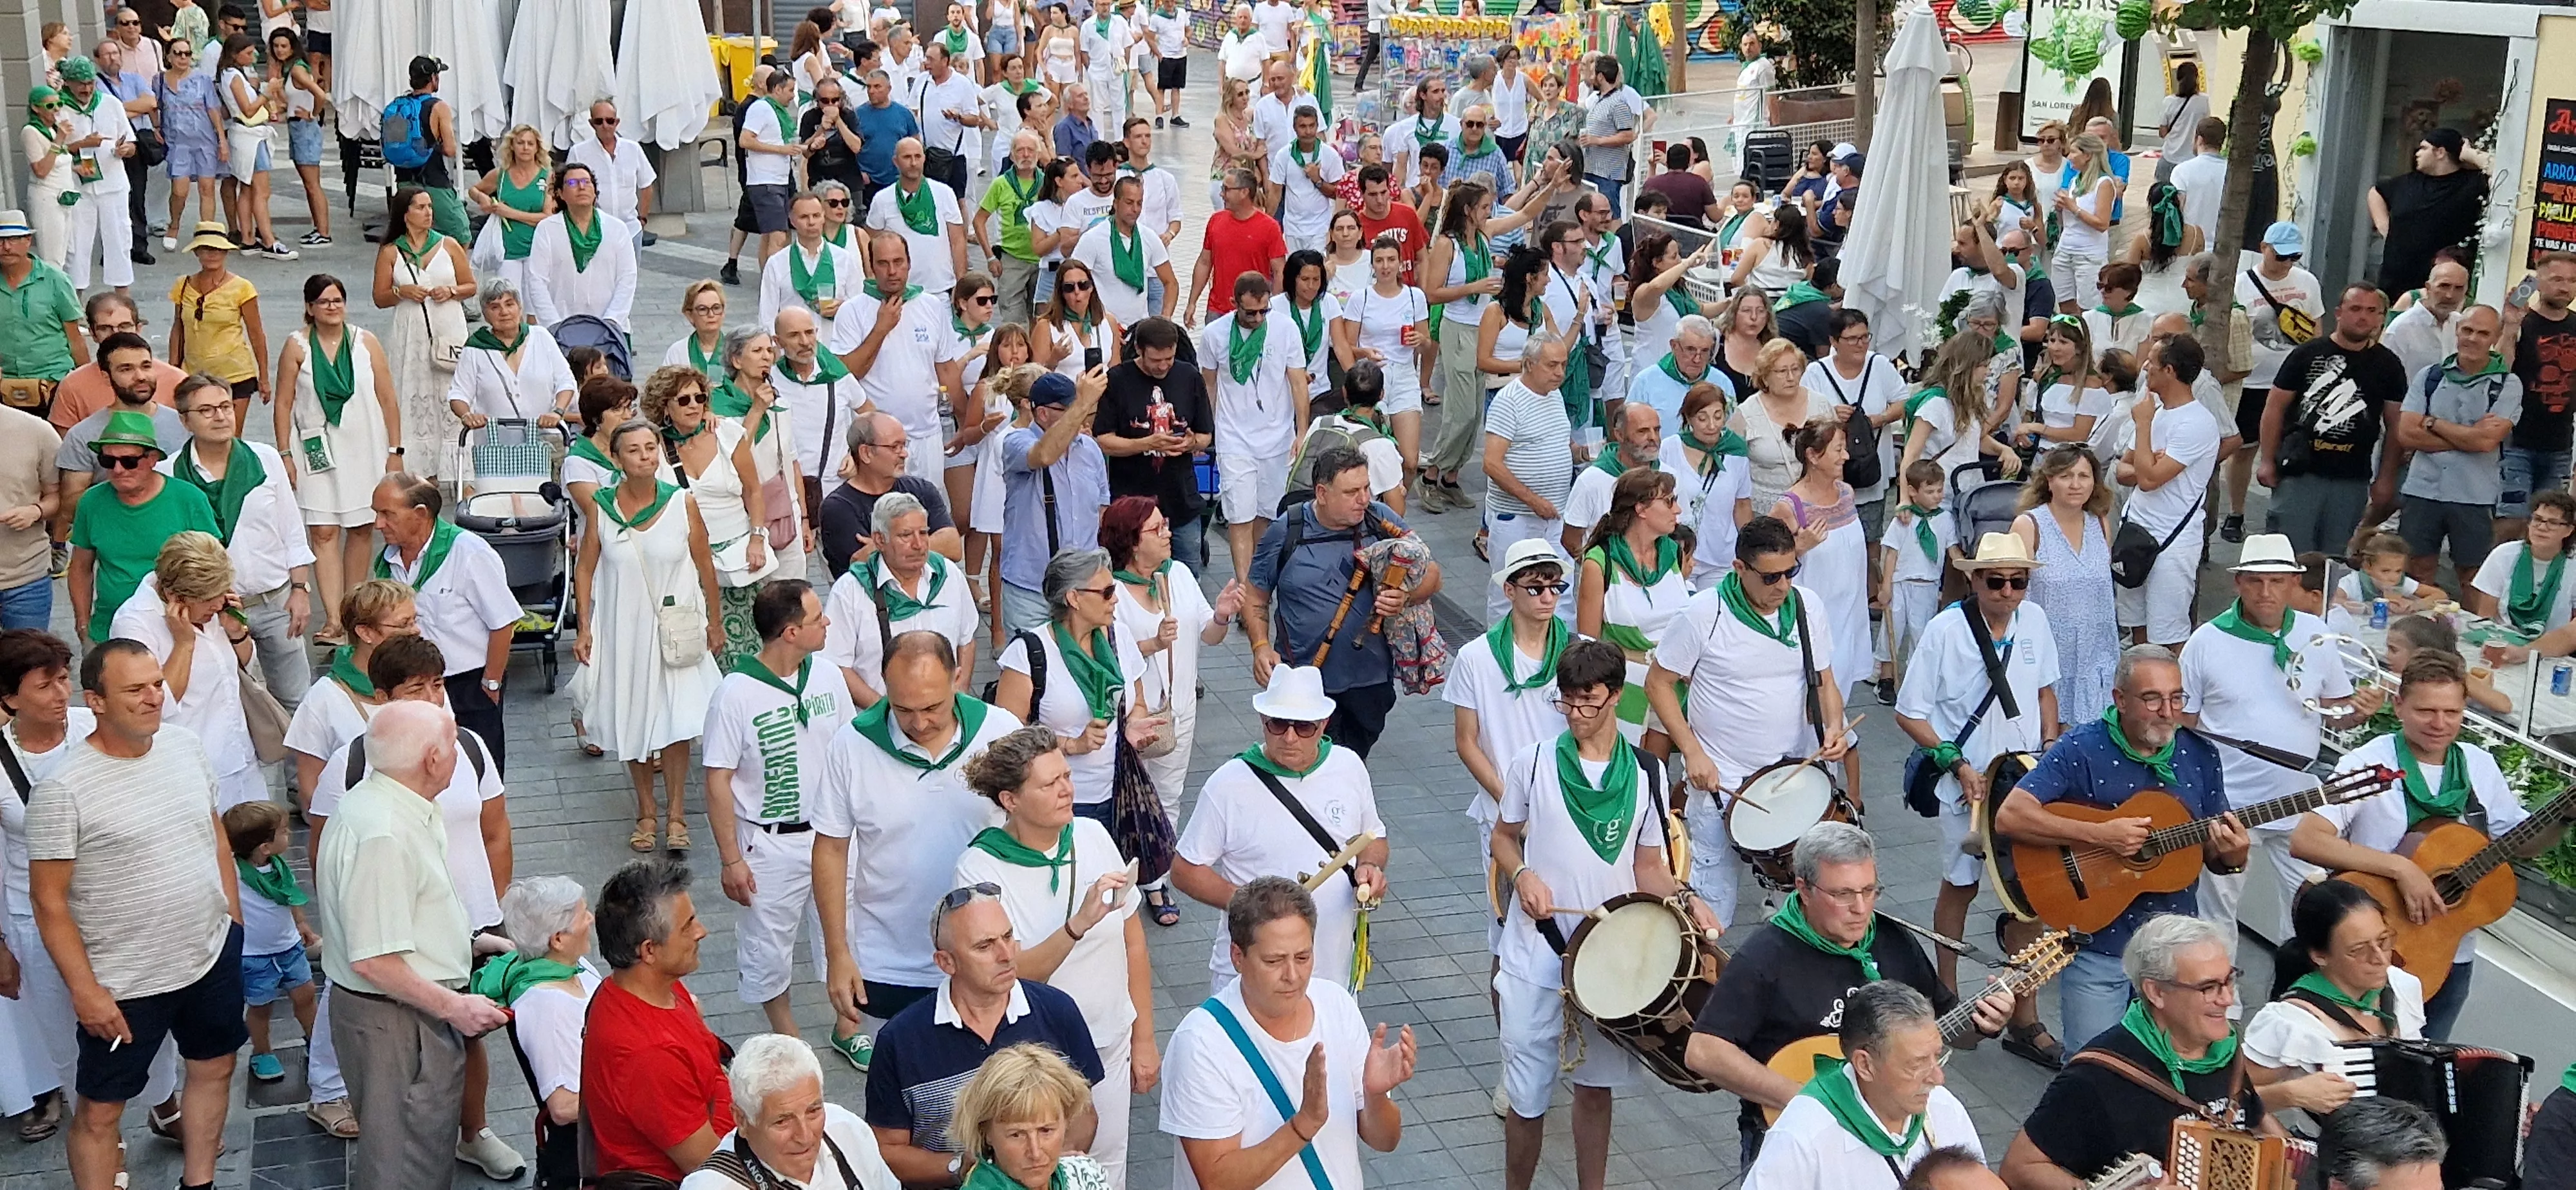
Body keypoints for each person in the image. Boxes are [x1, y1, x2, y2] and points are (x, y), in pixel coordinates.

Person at [1493, 639, 1709, 1190]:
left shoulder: (1649, 773)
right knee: (1527, 1098)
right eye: (1566, 702)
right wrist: (1522, 875)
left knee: (1596, 1090)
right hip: (1535, 956)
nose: (1576, 714)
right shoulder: (1533, 762)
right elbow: (1504, 837)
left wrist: (1686, 898)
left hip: (1608, 962)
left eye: (1587, 701)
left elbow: (1649, 867)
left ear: (1614, 696)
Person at [28, 639, 242, 1190]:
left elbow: (214, 834)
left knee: (214, 1067)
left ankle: (200, 1183)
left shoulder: (185, 746)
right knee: (100, 1112)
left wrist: (233, 921)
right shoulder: (63, 790)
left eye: (156, 684)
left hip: (209, 953)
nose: (154, 697)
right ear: (95, 701)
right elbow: (49, 900)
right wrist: (86, 992)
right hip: (125, 981)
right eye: (135, 689)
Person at [1687, 824, 2011, 1167]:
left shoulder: (1892, 940)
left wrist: (1985, 1022)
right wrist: (1812, 1102)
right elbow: (1704, 1051)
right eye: (1843, 894)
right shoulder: (1766, 956)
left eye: (1869, 890)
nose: (1860, 907)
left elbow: (1946, 1026)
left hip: (1889, 1126)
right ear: (1804, 889)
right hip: (1793, 1138)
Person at [1992, 646, 2245, 1050]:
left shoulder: (2200, 755)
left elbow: (2217, 854)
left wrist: (2235, 855)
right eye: (2152, 699)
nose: (2168, 711)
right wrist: (2101, 835)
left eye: (2176, 698)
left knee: (2176, 1067)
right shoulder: (2081, 748)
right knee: (2093, 1072)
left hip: (2175, 954)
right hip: (2100, 942)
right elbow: (2011, 816)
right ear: (2120, 700)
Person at [2297, 650, 2552, 1040]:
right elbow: (2306, 838)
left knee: (2424, 1074)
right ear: (2399, 706)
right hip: (2367, 950)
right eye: (2426, 711)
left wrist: (2563, 816)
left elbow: (2520, 844)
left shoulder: (2478, 764)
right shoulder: (2370, 763)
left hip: (2448, 956)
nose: (2440, 724)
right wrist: (2402, 868)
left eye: (2451, 712)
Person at [954, 725, 1154, 1182]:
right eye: (1050, 783)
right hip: (1037, 1062)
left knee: (1105, 1171)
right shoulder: (980, 868)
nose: (1068, 789)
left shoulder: (1092, 834)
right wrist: (1077, 925)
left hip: (1110, 1043)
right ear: (1011, 800)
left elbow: (1133, 940)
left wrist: (1143, 1036)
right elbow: (1003, 975)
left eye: (1066, 775)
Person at [1642, 515, 1853, 923]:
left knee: (1799, 910)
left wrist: (1833, 727)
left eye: (1791, 572)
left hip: (1793, 779)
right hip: (1723, 782)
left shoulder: (1808, 606)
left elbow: (1825, 680)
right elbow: (1658, 684)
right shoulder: (1703, 613)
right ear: (1739, 568)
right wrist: (1693, 753)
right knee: (1710, 904)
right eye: (1770, 578)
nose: (1783, 586)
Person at [1160, 876, 1416, 1190]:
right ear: (1237, 957)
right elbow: (1217, 1180)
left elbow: (1385, 1140)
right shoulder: (1200, 1044)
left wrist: (1375, 1096)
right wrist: (1304, 1124)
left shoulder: (1336, 1004)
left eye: (1303, 957)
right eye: (1274, 961)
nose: (1293, 976)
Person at [2001, 916, 2270, 1188]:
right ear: (2156, 992)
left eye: (2229, 980)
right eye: (2208, 987)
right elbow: (2020, 1167)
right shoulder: (2097, 1076)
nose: (2227, 999)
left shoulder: (2223, 1050)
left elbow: (2254, 1119)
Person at [863, 884, 1105, 1183]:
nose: (1006, 955)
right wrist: (961, 1169)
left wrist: (1045, 1171)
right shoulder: (899, 1041)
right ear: (946, 962)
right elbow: (886, 1150)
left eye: (1007, 937)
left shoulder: (1057, 1010)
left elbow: (1083, 1114)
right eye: (984, 946)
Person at [700, 580, 855, 1039]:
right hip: (769, 843)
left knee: (842, 932)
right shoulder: (735, 694)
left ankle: (849, 1026)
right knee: (767, 946)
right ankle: (787, 1036)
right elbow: (717, 780)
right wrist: (731, 859)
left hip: (832, 836)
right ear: (790, 633)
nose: (826, 622)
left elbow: (852, 746)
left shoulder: (826, 675)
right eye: (816, 618)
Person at [1173, 661, 1388, 992]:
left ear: (1323, 724)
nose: (1289, 737)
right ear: (1263, 721)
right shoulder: (1228, 784)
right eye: (1278, 724)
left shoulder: (1349, 766)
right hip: (1253, 979)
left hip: (1332, 971)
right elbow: (1185, 870)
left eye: (1303, 727)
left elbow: (1373, 837)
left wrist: (1370, 866)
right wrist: (1252, 905)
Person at [576, 420, 726, 851]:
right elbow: (585, 569)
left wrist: (714, 623)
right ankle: (646, 811)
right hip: (624, 629)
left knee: (676, 719)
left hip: (675, 629)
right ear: (617, 459)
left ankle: (676, 814)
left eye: (650, 448)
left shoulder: (682, 503)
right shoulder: (602, 508)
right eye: (635, 450)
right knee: (634, 715)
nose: (645, 456)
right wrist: (584, 627)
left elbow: (705, 567)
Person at [1245, 448, 1438, 755]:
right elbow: (1256, 595)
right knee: (1310, 764)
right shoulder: (1287, 530)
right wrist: (1260, 646)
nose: (1364, 499)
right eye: (1351, 492)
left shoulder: (1380, 520)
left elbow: (1431, 573)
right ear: (1322, 493)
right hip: (1304, 681)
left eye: (1366, 488)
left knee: (1351, 761)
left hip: (1371, 680)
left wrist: (1406, 597)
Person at [159, 372, 312, 711]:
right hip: (212, 613)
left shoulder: (265, 459)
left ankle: (300, 766)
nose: (220, 416)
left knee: (296, 703)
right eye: (207, 410)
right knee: (230, 705)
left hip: (274, 602)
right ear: (184, 420)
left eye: (225, 406)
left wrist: (301, 589)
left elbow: (292, 529)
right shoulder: (169, 474)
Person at [1739, 981, 1987, 1190]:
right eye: (1917, 1064)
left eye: (1938, 1056)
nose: (1937, 1078)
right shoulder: (1803, 1137)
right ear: (1865, 1065)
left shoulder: (1944, 1109)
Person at [583, 858, 736, 1182]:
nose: (702, 932)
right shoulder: (648, 1054)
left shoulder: (646, 986)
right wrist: (742, 1093)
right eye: (688, 926)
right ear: (649, 951)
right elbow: (714, 1169)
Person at [0, 630, 91, 1141]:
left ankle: (162, 1104)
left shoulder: (92, 730)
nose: (61, 694)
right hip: (32, 916)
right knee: (65, 1038)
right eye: (44, 685)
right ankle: (102, 1140)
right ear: (10, 697)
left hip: (107, 905)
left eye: (63, 679)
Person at [369, 472, 520, 769]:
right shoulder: (388, 559)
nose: (378, 525)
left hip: (469, 685)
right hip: (411, 687)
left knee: (478, 771)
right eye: (377, 514)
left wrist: (491, 684)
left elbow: (504, 623)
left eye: (387, 514)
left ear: (420, 514)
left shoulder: (468, 552)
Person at [276, 275, 400, 638]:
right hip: (316, 448)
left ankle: (353, 611)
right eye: (324, 301)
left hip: (365, 446)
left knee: (361, 528)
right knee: (325, 531)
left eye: (338, 300)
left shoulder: (366, 343)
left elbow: (388, 398)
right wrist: (285, 452)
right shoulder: (297, 346)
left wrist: (396, 451)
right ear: (310, 308)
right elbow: (284, 403)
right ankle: (332, 618)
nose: (332, 307)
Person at [2240, 880, 2422, 1125]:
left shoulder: (2402, 986)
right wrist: (2289, 1095)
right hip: (2327, 1155)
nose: (2380, 959)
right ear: (2320, 956)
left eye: (2383, 941)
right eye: (2359, 950)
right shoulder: (2291, 1021)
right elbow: (2225, 1099)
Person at [2257, 283, 2407, 556]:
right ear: (2339, 313)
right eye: (2355, 309)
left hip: (2352, 479)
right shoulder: (2306, 354)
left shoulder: (2389, 365)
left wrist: (2386, 479)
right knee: (2289, 554)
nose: (2363, 317)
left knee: (2336, 558)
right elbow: (2274, 408)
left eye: (2372, 311)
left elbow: (2396, 426)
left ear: (2381, 317)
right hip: (2300, 474)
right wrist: (2267, 460)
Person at [475, 876, 602, 1187]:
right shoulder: (548, 1007)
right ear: (557, 939)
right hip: (591, 1151)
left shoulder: (574, 965)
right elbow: (561, 1108)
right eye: (583, 915)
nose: (592, 919)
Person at [68, 408, 218, 645]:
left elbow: (213, 567)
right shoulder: (91, 501)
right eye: (108, 460)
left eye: (129, 461)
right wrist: (83, 624)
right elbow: (80, 568)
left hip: (175, 631)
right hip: (110, 631)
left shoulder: (188, 499)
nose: (118, 469)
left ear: (152, 459)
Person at [679, 1034, 902, 1190]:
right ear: (742, 1121)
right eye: (782, 1121)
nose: (805, 1137)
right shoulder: (714, 1186)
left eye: (813, 1111)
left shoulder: (846, 1128)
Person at [2116, 335, 2226, 648]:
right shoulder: (2154, 413)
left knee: (2169, 635)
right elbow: (2122, 471)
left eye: (2152, 361)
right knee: (2136, 625)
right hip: (2136, 533)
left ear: (2170, 370)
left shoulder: (2195, 422)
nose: (2145, 367)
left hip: (2172, 541)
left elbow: (2149, 480)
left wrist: (2144, 434)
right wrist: (2148, 463)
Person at [2397, 304, 2518, 589]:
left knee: (2474, 577)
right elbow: (2406, 434)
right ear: (2457, 331)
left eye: (2483, 333)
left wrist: (2433, 423)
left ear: (2495, 337)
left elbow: (2486, 442)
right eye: (2467, 330)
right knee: (2416, 569)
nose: (2473, 338)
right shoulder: (2430, 376)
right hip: (2423, 490)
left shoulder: (2507, 384)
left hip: (2474, 495)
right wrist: (2468, 436)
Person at [822, 487, 980, 706]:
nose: (918, 545)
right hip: (878, 721)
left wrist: (958, 697)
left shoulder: (949, 575)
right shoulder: (851, 590)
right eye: (906, 535)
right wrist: (886, 714)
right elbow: (837, 665)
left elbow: (967, 640)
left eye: (924, 533)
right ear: (879, 540)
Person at [835, 230, 968, 482]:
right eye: (883, 264)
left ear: (909, 263)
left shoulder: (931, 306)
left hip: (927, 434)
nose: (892, 271)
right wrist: (881, 329)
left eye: (898, 262)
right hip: (877, 443)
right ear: (872, 267)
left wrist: (964, 421)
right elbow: (847, 375)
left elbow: (947, 370)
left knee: (926, 512)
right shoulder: (852, 311)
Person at [1203, 273, 1309, 587]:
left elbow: (1298, 381)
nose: (1259, 318)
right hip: (1234, 438)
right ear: (1234, 304)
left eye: (1264, 310)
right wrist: (1206, 431)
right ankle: (1246, 590)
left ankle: (1257, 579)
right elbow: (1208, 386)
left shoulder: (1285, 328)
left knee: (1265, 514)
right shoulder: (1215, 334)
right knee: (1239, 515)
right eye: (1251, 312)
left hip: (1277, 439)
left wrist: (1301, 430)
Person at [2226, 222, 2325, 541]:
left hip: (2294, 382)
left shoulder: (2307, 282)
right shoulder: (2242, 285)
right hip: (2254, 382)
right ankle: (2236, 512)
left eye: (2292, 257)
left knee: (2291, 449)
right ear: (2264, 247)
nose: (2285, 263)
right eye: (2280, 256)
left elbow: (2316, 329)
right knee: (2244, 449)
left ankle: (2282, 514)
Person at [998, 370, 1113, 632]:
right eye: (1069, 409)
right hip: (1031, 588)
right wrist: (1084, 402)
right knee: (1029, 668)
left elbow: (1101, 509)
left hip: (1083, 590)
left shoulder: (1090, 449)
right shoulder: (1016, 441)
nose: (1079, 416)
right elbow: (1044, 455)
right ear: (1042, 413)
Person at [2011, 446, 2118, 724]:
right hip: (2049, 655)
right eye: (2066, 476)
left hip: (2096, 655)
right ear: (2049, 480)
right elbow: (2012, 593)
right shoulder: (2029, 525)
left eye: (2084, 476)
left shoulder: (2100, 524)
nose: (2075, 484)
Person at [1094, 316, 1214, 562]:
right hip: (1132, 504)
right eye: (1156, 361)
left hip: (1181, 500)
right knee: (1131, 574)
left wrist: (1191, 443)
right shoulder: (1117, 380)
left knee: (1188, 579)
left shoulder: (1189, 376)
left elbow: (1205, 435)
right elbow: (1103, 440)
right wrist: (1146, 444)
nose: (1163, 367)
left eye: (1169, 359)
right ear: (1139, 350)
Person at [374, 187, 473, 479]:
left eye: (430, 207)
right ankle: (420, 471)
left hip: (448, 326)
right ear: (405, 214)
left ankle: (458, 470)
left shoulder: (449, 245)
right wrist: (400, 291)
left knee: (450, 392)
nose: (429, 212)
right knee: (415, 393)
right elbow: (380, 297)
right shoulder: (391, 251)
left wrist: (452, 290)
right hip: (412, 331)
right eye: (421, 207)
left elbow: (471, 285)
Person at [1481, 332, 1578, 616]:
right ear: (1528, 364)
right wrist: (1533, 500)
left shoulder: (1554, 396)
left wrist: (1581, 453)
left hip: (1554, 514)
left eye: (1563, 364)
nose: (1560, 372)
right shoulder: (1508, 402)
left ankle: (1561, 650)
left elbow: (1559, 441)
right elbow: (1492, 463)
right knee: (1509, 589)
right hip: (1517, 517)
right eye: (1552, 365)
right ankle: (1502, 653)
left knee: (1561, 585)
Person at [820, 410, 960, 580]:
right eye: (895, 447)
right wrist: (928, 543)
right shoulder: (837, 508)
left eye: (904, 445)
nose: (904, 454)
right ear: (866, 453)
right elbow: (861, 564)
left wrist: (883, 547)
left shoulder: (922, 490)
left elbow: (953, 547)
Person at [446, 276, 576, 434]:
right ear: (485, 315)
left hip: (546, 438)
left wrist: (557, 412)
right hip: (495, 444)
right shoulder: (475, 348)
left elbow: (566, 381)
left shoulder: (541, 337)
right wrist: (467, 416)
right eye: (495, 307)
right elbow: (459, 393)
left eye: (510, 304)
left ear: (520, 308)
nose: (504, 312)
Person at [56, 55, 143, 290]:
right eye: (80, 84)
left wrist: (126, 149)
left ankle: (124, 302)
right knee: (77, 247)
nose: (86, 89)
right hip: (78, 187)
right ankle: (75, 307)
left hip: (113, 184)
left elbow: (132, 144)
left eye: (90, 83)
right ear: (68, 83)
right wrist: (82, 144)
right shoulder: (58, 108)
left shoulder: (110, 103)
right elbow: (53, 150)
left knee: (120, 242)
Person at [2370, 128, 2489, 298]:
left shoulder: (2472, 183)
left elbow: (2504, 175)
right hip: (2395, 281)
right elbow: (2376, 193)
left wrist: (2470, 154)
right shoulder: (2408, 182)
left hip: (2444, 286)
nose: (2417, 154)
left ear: (2440, 152)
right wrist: (2385, 227)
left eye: (2424, 148)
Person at [168, 224, 267, 417]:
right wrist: (173, 370)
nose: (212, 254)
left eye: (218, 249)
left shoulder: (242, 288)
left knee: (230, 437)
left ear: (226, 252)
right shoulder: (183, 285)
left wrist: (264, 377)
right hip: (193, 373)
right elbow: (178, 328)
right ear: (197, 252)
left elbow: (256, 333)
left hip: (235, 373)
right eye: (206, 249)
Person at [866, 140, 972, 305]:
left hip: (940, 290)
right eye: (907, 157)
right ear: (896, 162)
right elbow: (871, 245)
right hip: (899, 294)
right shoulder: (882, 199)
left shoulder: (944, 193)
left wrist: (961, 285)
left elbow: (958, 241)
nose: (913, 163)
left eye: (918, 156)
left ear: (924, 159)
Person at [1187, 167, 1287, 326]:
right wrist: (1192, 302)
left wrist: (1270, 308)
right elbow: (1205, 262)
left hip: (1253, 313)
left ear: (1244, 192)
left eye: (1226, 189)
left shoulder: (1269, 227)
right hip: (1218, 310)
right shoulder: (1216, 221)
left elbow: (1279, 271)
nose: (1221, 194)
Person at [0, 385, 61, 632]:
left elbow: (59, 497)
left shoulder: (36, 431)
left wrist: (36, 511)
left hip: (25, 579)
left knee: (31, 666)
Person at [565, 99, 658, 256]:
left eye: (610, 121)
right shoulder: (579, 153)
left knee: (629, 279)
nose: (605, 126)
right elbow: (569, 189)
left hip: (630, 230)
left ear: (617, 122)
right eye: (599, 121)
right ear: (591, 123)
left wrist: (642, 219)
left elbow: (647, 185)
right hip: (595, 231)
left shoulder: (633, 149)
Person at [468, 125, 552, 294]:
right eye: (520, 143)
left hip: (537, 250)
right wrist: (482, 198)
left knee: (535, 305)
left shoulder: (548, 176)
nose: (526, 148)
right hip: (507, 250)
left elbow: (547, 217)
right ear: (512, 146)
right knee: (508, 298)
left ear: (537, 148)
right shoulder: (501, 174)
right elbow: (474, 190)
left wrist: (508, 212)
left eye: (530, 143)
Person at [737, 69, 805, 270]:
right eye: (791, 90)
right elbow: (745, 140)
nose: (794, 95)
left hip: (779, 179)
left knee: (769, 236)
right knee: (779, 235)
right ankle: (776, 281)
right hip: (766, 181)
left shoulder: (778, 112)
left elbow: (784, 143)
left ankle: (768, 278)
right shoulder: (761, 109)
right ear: (777, 89)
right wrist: (780, 150)